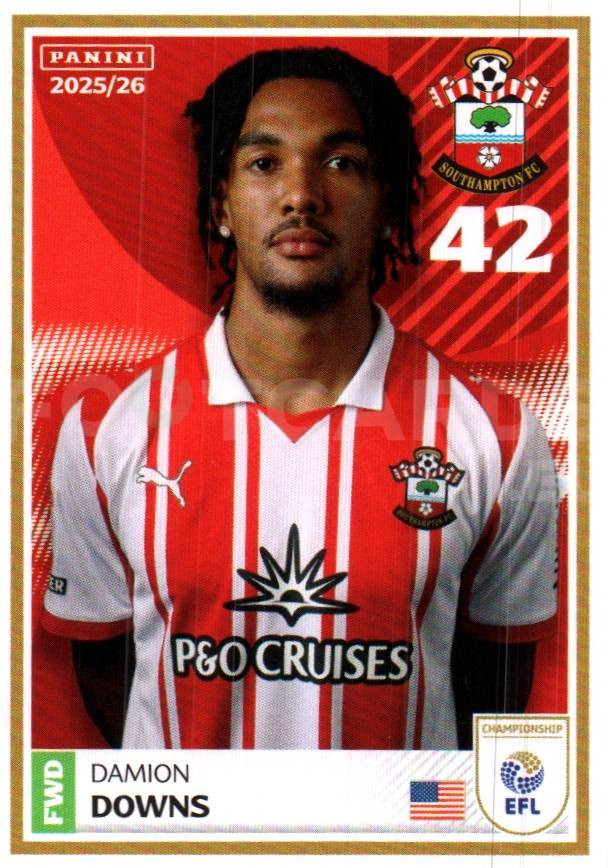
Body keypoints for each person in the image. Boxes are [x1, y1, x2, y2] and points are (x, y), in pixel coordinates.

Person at [41, 47, 557, 751]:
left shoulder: (496, 434)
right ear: (221, 206)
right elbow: (107, 662)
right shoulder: (107, 426)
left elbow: (494, 676)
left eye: (341, 163)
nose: (301, 195)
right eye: (264, 163)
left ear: (388, 205)